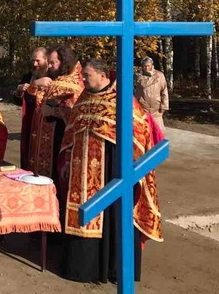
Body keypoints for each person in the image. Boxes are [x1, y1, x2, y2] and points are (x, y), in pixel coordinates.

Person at [58, 59, 162, 283]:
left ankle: (114, 269)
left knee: (114, 215)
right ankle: (85, 268)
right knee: (83, 212)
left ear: (103, 76)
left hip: (112, 168)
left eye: (87, 75)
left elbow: (141, 131)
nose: (82, 79)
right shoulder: (83, 97)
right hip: (81, 167)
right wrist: (67, 160)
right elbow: (71, 130)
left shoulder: (124, 99)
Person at [27, 45, 83, 183]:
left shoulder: (74, 84)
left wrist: (53, 111)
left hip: (59, 140)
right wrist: (34, 85)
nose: (50, 65)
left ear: (63, 62)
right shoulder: (54, 80)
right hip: (42, 140)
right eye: (49, 62)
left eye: (53, 62)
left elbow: (76, 115)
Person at [14, 47, 48, 170]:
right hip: (28, 120)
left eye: (38, 61)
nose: (35, 64)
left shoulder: (51, 77)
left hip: (44, 124)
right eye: (33, 61)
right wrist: (19, 91)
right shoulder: (28, 76)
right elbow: (18, 101)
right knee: (27, 153)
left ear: (47, 60)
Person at [135, 57, 169, 131]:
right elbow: (136, 92)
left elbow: (164, 91)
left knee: (158, 131)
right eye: (144, 66)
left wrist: (164, 106)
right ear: (142, 66)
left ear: (152, 65)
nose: (146, 68)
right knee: (145, 131)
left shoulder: (159, 75)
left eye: (148, 66)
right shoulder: (138, 76)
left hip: (156, 108)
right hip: (143, 107)